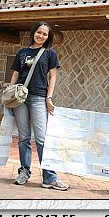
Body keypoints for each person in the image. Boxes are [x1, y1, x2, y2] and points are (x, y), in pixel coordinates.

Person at [9, 21, 69, 190]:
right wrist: (9, 95)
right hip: (20, 98)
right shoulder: (22, 53)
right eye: (38, 32)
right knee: (24, 138)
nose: (40, 35)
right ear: (33, 33)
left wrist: (49, 97)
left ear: (48, 37)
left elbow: (53, 77)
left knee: (42, 139)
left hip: (38, 98)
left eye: (44, 34)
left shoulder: (50, 54)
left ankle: (49, 177)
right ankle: (24, 172)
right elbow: (15, 75)